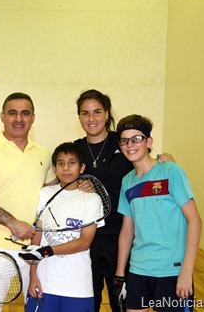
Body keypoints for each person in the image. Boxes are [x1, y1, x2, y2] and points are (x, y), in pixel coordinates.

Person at [73, 89, 174, 312]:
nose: (92, 118)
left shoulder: (123, 143)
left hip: (122, 239)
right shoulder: (76, 149)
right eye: (85, 113)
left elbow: (146, 162)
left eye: (97, 112)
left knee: (122, 302)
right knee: (89, 303)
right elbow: (63, 180)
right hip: (86, 240)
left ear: (107, 114)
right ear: (79, 116)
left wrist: (164, 159)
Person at [0, 92, 57, 311]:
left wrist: (82, 185)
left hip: (35, 251)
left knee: (38, 308)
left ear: (33, 118)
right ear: (2, 116)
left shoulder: (44, 155)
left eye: (25, 113)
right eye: (12, 113)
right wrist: (12, 223)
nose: (19, 119)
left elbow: (53, 192)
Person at [114, 114, 202, 312]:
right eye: (125, 141)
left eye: (136, 139)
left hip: (171, 271)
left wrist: (186, 272)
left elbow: (195, 221)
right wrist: (120, 275)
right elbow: (127, 232)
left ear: (149, 142)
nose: (130, 145)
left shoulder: (171, 171)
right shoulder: (127, 181)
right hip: (138, 270)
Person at [19, 142, 103, 312]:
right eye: (61, 163)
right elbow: (38, 236)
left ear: (82, 167)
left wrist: (48, 250)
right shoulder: (45, 194)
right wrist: (33, 274)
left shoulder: (92, 199)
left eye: (72, 162)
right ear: (55, 169)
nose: (66, 168)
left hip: (78, 287)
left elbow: (85, 242)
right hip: (45, 283)